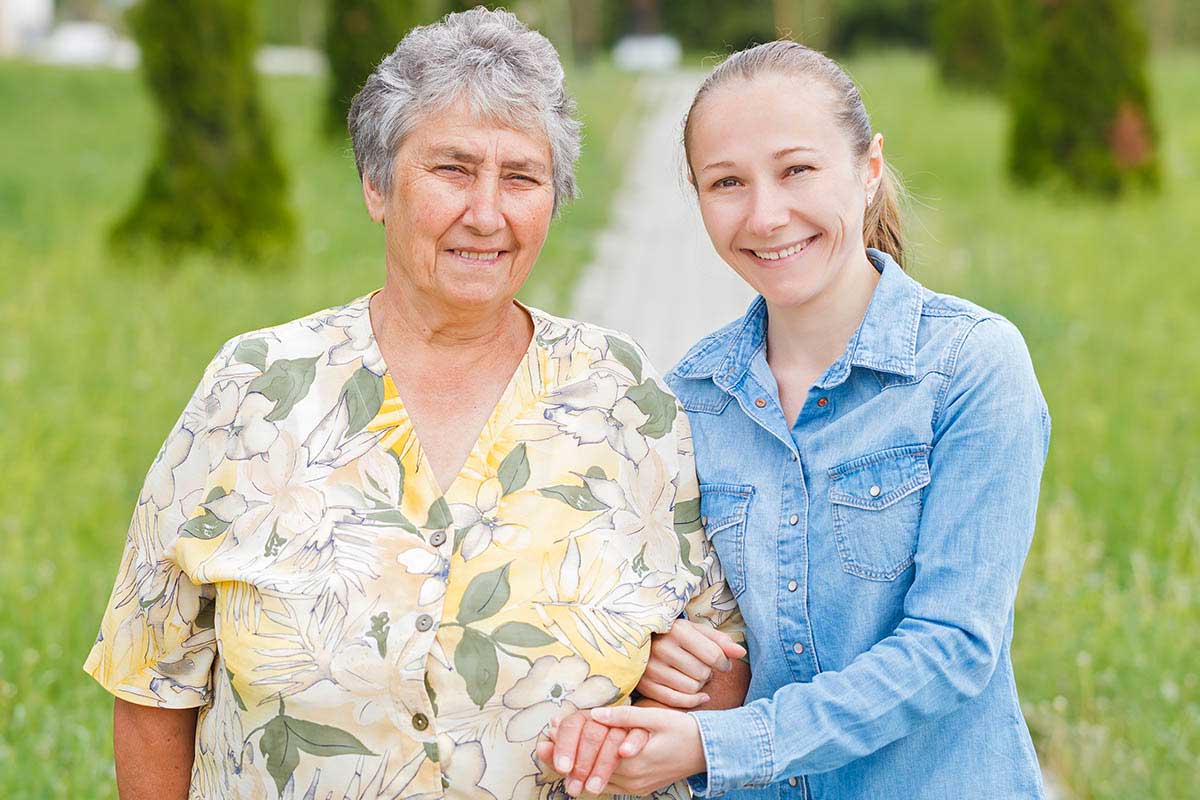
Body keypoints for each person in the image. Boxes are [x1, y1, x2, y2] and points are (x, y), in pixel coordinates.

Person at [82, 9, 746, 799]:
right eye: (453, 170)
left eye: (522, 178)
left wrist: (674, 691)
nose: (488, 214)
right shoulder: (254, 387)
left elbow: (718, 673)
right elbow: (152, 682)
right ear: (376, 185)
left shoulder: (626, 393)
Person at [541, 40, 1051, 799]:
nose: (765, 214)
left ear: (869, 169)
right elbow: (684, 627)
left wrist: (719, 744)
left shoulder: (971, 367)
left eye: (797, 171)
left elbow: (953, 648)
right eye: (727, 182)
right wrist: (654, 659)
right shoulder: (686, 401)